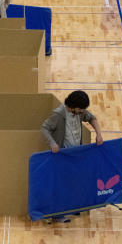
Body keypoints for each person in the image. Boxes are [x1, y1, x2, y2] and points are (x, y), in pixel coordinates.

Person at [40, 90, 105, 223]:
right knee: (61, 185)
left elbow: (92, 118)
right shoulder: (58, 115)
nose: (82, 112)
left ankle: (71, 207)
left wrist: (98, 134)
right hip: (63, 155)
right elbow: (44, 128)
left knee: (74, 182)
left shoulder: (80, 112)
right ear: (73, 106)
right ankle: (57, 215)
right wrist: (52, 143)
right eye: (80, 109)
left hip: (76, 154)